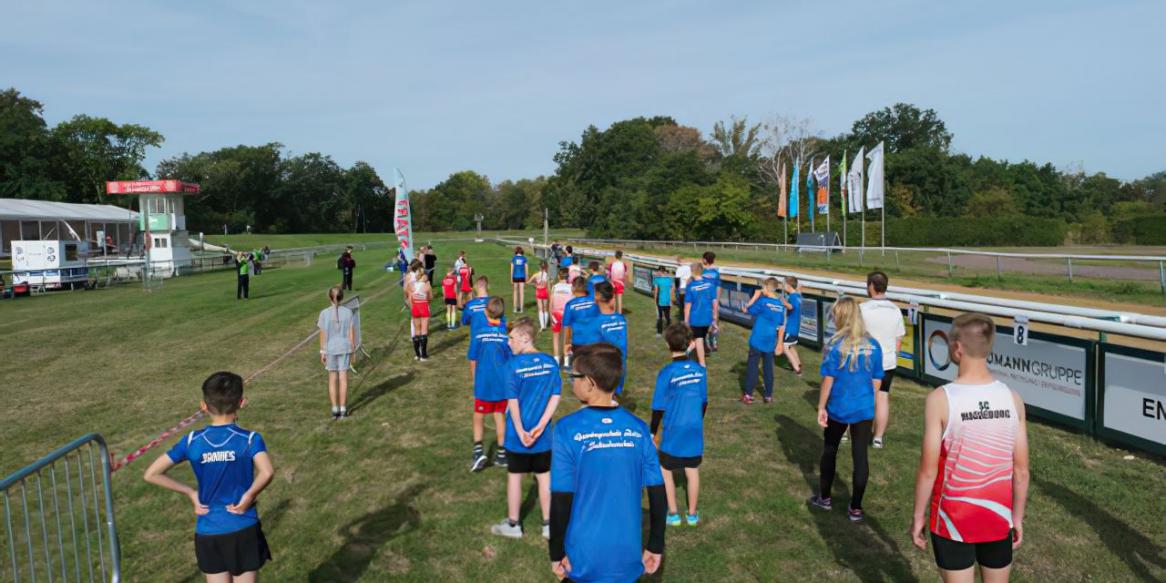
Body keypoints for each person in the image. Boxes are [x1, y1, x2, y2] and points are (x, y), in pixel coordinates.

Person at [911, 313, 1030, 583]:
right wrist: (1017, 517)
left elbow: (928, 471)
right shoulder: (1013, 398)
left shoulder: (940, 399)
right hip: (998, 517)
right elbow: (1021, 471)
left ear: (957, 347)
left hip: (953, 519)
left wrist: (918, 516)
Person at [549, 343, 666, 583]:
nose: (572, 381)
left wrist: (556, 551)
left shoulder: (565, 430)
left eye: (575, 376)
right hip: (626, 554)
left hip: (582, 556)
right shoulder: (639, 429)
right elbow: (658, 492)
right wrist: (655, 543)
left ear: (590, 383)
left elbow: (561, 498)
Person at [143, 371, 274, 582]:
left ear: (203, 406)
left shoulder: (192, 441)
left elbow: (151, 474)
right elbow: (267, 471)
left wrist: (190, 493)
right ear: (242, 402)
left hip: (208, 530)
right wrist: (249, 496)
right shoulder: (250, 439)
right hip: (242, 526)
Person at [808, 297, 883, 522]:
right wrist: (870, 402)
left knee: (830, 450)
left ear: (840, 317)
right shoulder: (874, 345)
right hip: (863, 409)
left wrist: (821, 406)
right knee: (860, 456)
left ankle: (825, 498)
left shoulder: (833, 345)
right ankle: (856, 508)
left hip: (838, 407)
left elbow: (828, 380)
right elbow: (877, 381)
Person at [491, 317, 561, 539]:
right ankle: (548, 525)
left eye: (511, 338)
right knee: (544, 476)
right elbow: (555, 396)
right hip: (542, 437)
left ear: (524, 337)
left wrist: (521, 432)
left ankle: (513, 525)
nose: (508, 343)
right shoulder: (550, 362)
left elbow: (512, 402)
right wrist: (541, 426)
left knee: (515, 476)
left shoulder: (513, 365)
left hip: (517, 436)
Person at [650, 324, 708, 528]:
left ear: (667, 344)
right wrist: (697, 421)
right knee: (692, 470)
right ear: (691, 344)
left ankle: (673, 513)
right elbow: (704, 402)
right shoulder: (700, 371)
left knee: (665, 469)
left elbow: (658, 407)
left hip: (673, 429)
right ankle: (692, 515)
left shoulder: (666, 373)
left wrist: (652, 432)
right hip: (693, 428)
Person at [861, 271, 907, 449]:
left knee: (862, 395)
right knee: (882, 397)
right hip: (887, 362)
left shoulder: (863, 308)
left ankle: (857, 431)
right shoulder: (895, 310)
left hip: (865, 360)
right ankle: (878, 438)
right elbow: (898, 340)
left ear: (871, 286)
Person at [469, 297, 512, 472]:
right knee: (499, 415)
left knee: (479, 416)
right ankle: (502, 454)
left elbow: (473, 359)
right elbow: (511, 360)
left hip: (484, 382)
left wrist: (474, 379)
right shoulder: (506, 335)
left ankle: (478, 450)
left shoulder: (479, 333)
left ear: (486, 312)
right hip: (502, 383)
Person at [742, 277, 786, 404]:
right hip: (770, 341)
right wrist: (780, 342)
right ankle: (768, 395)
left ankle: (748, 394)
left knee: (753, 367)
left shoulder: (762, 301)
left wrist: (754, 297)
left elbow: (746, 309)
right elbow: (781, 325)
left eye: (763, 287)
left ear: (767, 288)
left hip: (757, 339)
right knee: (768, 368)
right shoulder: (780, 305)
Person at [318, 286, 357, 419]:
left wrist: (322, 351)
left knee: (333, 378)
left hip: (330, 349)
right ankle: (342, 408)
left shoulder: (324, 313)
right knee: (343, 378)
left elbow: (322, 335)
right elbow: (352, 334)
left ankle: (335, 408)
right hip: (344, 348)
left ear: (329, 297)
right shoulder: (348, 312)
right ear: (342, 297)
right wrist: (353, 350)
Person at [593, 281, 628, 396]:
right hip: (620, 365)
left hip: (604, 367)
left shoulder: (595, 322)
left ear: (597, 297)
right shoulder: (621, 319)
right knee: (614, 396)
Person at [561, 276, 600, 370]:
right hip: (594, 340)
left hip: (578, 341)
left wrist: (566, 343)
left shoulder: (570, 305)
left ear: (573, 288)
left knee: (579, 368)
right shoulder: (595, 302)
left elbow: (567, 326)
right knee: (593, 367)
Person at [683, 263, 716, 367]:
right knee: (699, 337)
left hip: (696, 318)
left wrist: (686, 321)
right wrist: (714, 318)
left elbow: (687, 306)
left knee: (699, 339)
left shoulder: (690, 286)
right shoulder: (710, 284)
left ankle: (702, 364)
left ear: (692, 272)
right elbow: (714, 302)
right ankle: (688, 351)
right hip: (707, 318)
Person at [549, 268, 573, 367]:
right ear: (568, 277)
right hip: (567, 314)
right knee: (567, 338)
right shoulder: (571, 287)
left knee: (556, 337)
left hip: (555, 314)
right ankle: (566, 361)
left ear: (559, 276)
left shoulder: (554, 287)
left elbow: (551, 303)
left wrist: (550, 314)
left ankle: (556, 360)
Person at [780, 276, 804, 376]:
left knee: (785, 347)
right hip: (795, 326)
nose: (783, 287)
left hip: (791, 327)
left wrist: (784, 302)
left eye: (784, 285)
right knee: (790, 346)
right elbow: (799, 289)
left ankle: (797, 369)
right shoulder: (798, 296)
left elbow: (791, 307)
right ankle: (798, 363)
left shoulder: (793, 297)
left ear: (789, 286)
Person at [409, 264, 432, 361]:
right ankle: (423, 355)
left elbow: (410, 298)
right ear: (424, 275)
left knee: (417, 330)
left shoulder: (411, 285)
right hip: (423, 306)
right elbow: (430, 298)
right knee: (424, 331)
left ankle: (417, 354)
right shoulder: (427, 285)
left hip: (415, 307)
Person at [701, 251, 721, 353]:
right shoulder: (716, 273)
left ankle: (707, 344)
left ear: (705, 260)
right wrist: (716, 301)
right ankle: (714, 342)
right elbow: (718, 288)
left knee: (704, 322)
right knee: (714, 322)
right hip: (713, 301)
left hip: (703, 302)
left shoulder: (701, 272)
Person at [652, 265, 675, 336]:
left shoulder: (656, 279)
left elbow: (656, 291)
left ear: (659, 271)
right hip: (668, 300)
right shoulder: (670, 279)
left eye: (658, 271)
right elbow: (672, 289)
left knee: (660, 316)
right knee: (667, 316)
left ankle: (659, 332)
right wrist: (671, 300)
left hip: (660, 300)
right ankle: (669, 331)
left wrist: (655, 300)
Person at [531, 261, 551, 330]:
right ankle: (545, 325)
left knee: (540, 309)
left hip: (538, 291)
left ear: (539, 267)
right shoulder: (547, 275)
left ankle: (542, 326)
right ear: (546, 267)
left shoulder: (536, 274)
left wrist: (535, 284)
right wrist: (550, 295)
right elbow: (549, 287)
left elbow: (528, 281)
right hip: (545, 291)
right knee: (545, 309)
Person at [510, 246, 529, 314]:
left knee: (515, 293)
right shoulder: (524, 258)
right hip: (522, 277)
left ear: (516, 251)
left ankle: (515, 308)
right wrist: (527, 278)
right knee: (521, 293)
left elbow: (512, 269)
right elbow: (526, 269)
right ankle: (521, 309)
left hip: (515, 277)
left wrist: (511, 278)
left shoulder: (514, 258)